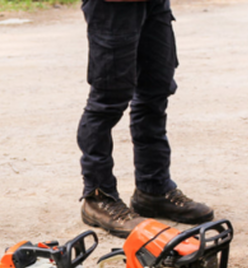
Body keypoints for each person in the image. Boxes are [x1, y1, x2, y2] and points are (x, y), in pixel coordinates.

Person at [77, 0, 214, 237]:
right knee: (108, 100)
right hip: (112, 7)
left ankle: (153, 190)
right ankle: (98, 197)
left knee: (155, 91)